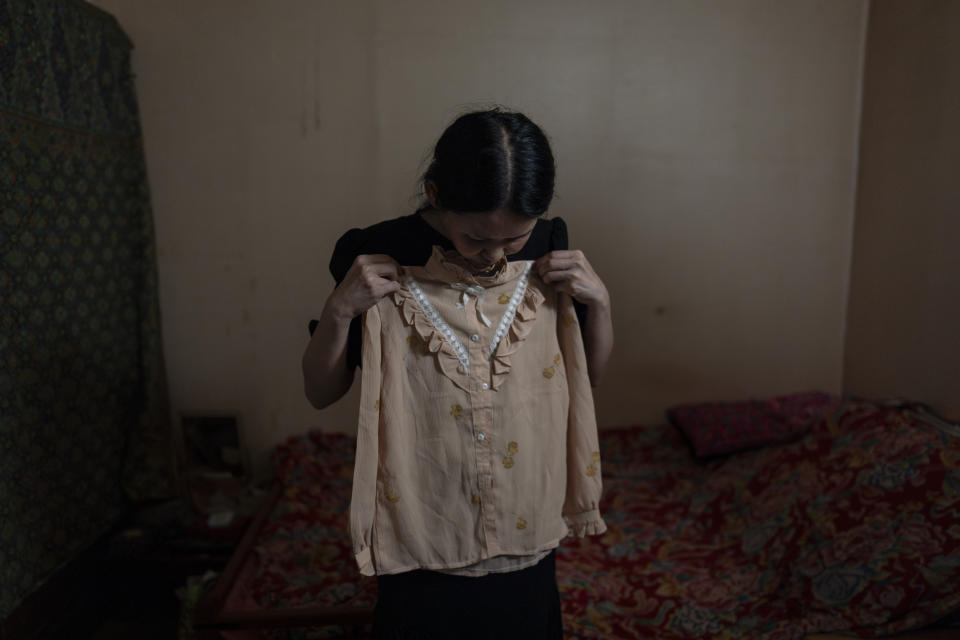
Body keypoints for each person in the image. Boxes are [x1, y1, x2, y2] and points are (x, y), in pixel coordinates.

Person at [301, 108, 613, 639]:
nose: (493, 256)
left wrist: (600, 302)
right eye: (475, 239)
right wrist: (338, 312)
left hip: (525, 513)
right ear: (435, 194)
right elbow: (321, 391)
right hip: (423, 516)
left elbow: (586, 379)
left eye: (512, 242)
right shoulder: (375, 254)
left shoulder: (550, 246)